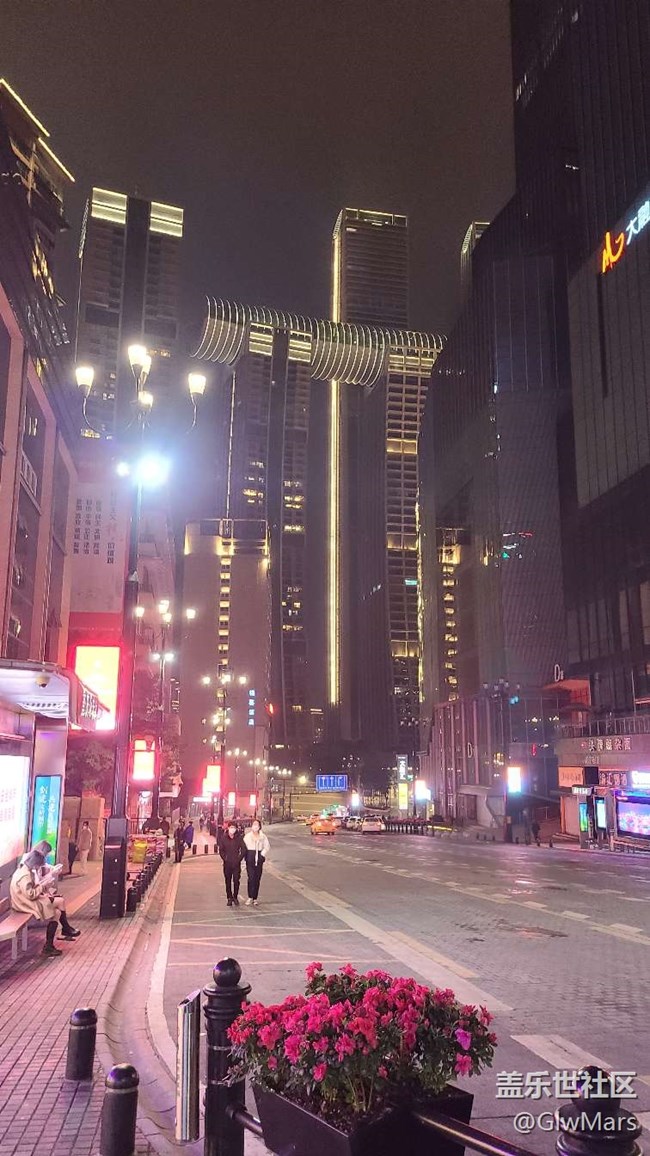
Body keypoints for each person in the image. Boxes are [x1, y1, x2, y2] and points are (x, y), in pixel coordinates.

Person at [10, 848, 80, 957]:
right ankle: (65, 929)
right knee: (60, 901)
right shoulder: (25, 876)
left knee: (57, 913)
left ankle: (50, 945)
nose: (38, 868)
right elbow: (31, 894)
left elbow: (29, 892)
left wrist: (42, 889)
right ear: (35, 863)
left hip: (24, 901)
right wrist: (43, 886)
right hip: (25, 904)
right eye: (39, 865)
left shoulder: (23, 870)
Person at [243, 820, 270, 906]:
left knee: (257, 879)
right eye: (254, 824)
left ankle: (255, 898)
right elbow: (243, 847)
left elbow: (267, 847)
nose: (255, 826)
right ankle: (250, 897)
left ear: (259, 826)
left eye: (257, 825)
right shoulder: (247, 836)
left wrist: (262, 854)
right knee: (251, 878)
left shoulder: (263, 836)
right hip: (250, 858)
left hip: (259, 859)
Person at [219, 822, 245, 906]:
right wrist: (225, 858)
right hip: (227, 864)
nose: (232, 829)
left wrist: (239, 859)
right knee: (228, 881)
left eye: (234, 827)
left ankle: (235, 896)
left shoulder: (239, 838)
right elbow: (221, 850)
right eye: (231, 827)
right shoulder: (224, 838)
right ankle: (229, 897)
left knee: (236, 880)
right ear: (228, 828)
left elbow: (243, 849)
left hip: (236, 864)